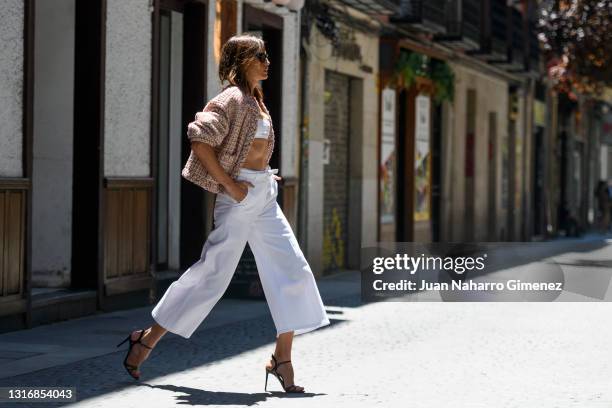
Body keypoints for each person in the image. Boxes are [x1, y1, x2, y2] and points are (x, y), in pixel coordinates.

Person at [116, 34, 330, 393]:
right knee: (213, 275)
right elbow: (199, 140)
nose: (267, 61)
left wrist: (262, 175)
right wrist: (232, 186)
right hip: (240, 197)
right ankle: (146, 339)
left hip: (263, 194)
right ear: (242, 60)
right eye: (259, 56)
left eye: (267, 55)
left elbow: (252, 148)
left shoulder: (256, 101)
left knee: (292, 269)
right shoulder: (231, 98)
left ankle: (282, 358)